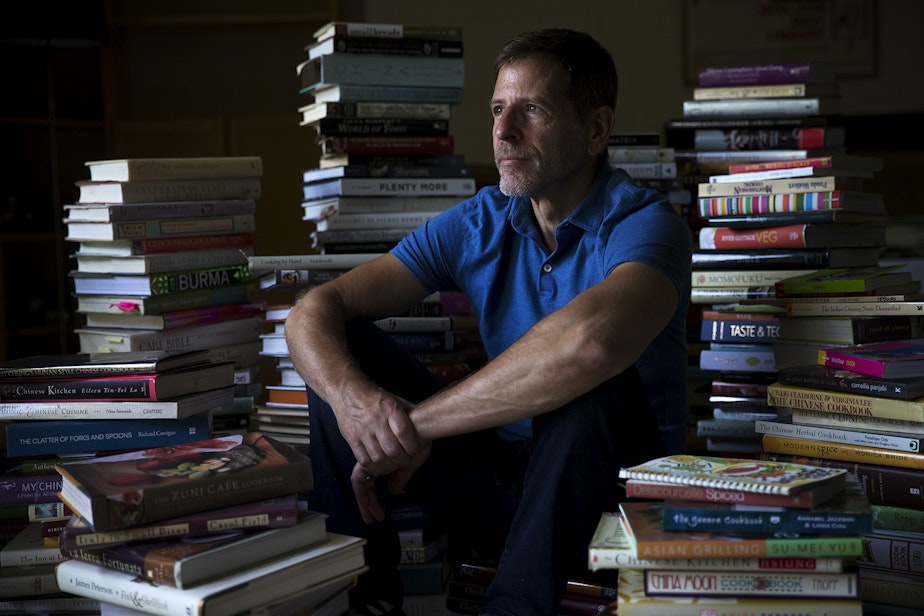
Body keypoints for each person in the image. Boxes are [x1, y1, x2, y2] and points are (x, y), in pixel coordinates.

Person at [285, 28, 692, 616]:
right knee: (341, 352)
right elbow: (310, 313)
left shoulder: (648, 225)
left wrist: (414, 426)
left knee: (586, 391)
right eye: (499, 109)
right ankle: (362, 598)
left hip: (617, 503)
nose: (504, 132)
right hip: (505, 489)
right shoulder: (481, 220)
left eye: (532, 110)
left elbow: (589, 344)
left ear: (596, 130)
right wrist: (359, 406)